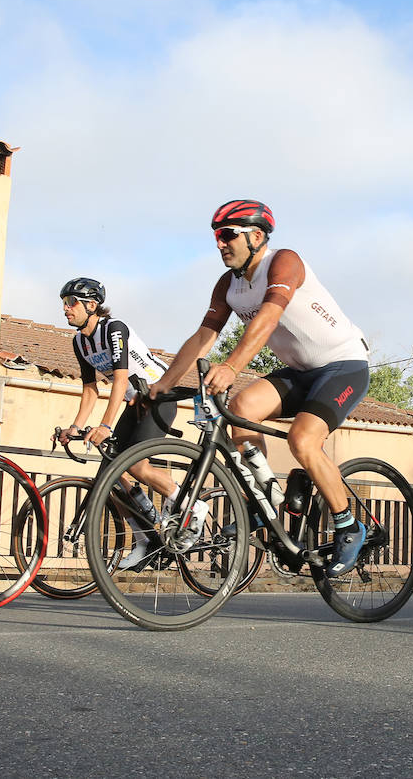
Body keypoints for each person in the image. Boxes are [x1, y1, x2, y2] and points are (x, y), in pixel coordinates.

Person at [150, 200, 372, 576]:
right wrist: (162, 385)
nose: (220, 244)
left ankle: (349, 525)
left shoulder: (284, 261)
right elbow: (204, 335)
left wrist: (233, 365)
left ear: (256, 236)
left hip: (344, 365)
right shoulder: (228, 285)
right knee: (241, 410)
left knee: (302, 440)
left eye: (227, 235)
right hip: (301, 371)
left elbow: (270, 316)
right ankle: (266, 501)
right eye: (216, 237)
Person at [53, 277, 204, 569]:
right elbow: (90, 389)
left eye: (71, 303)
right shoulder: (80, 342)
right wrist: (75, 426)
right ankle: (145, 536)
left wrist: (105, 426)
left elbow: (120, 380)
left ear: (91, 305)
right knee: (110, 472)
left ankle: (190, 505)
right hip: (134, 404)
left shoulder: (114, 329)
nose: (65, 309)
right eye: (63, 303)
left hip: (158, 397)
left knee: (135, 466)